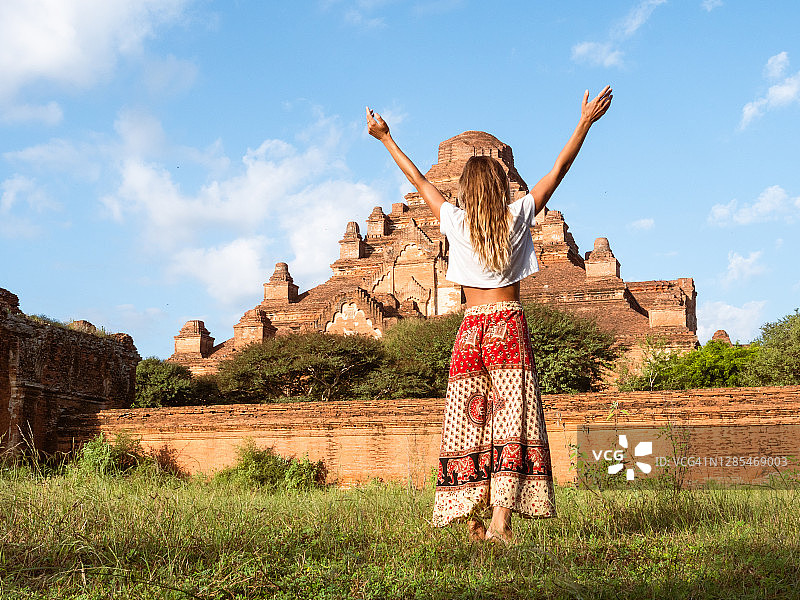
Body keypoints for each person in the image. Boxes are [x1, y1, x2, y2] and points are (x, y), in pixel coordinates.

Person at [366, 86, 613, 545]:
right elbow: (559, 168)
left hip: (470, 330)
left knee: (466, 419)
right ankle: (500, 523)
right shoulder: (518, 215)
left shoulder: (454, 222)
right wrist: (585, 121)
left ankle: (471, 519)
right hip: (508, 328)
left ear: (463, 191)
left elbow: (419, 181)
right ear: (502, 186)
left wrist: (384, 137)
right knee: (511, 421)